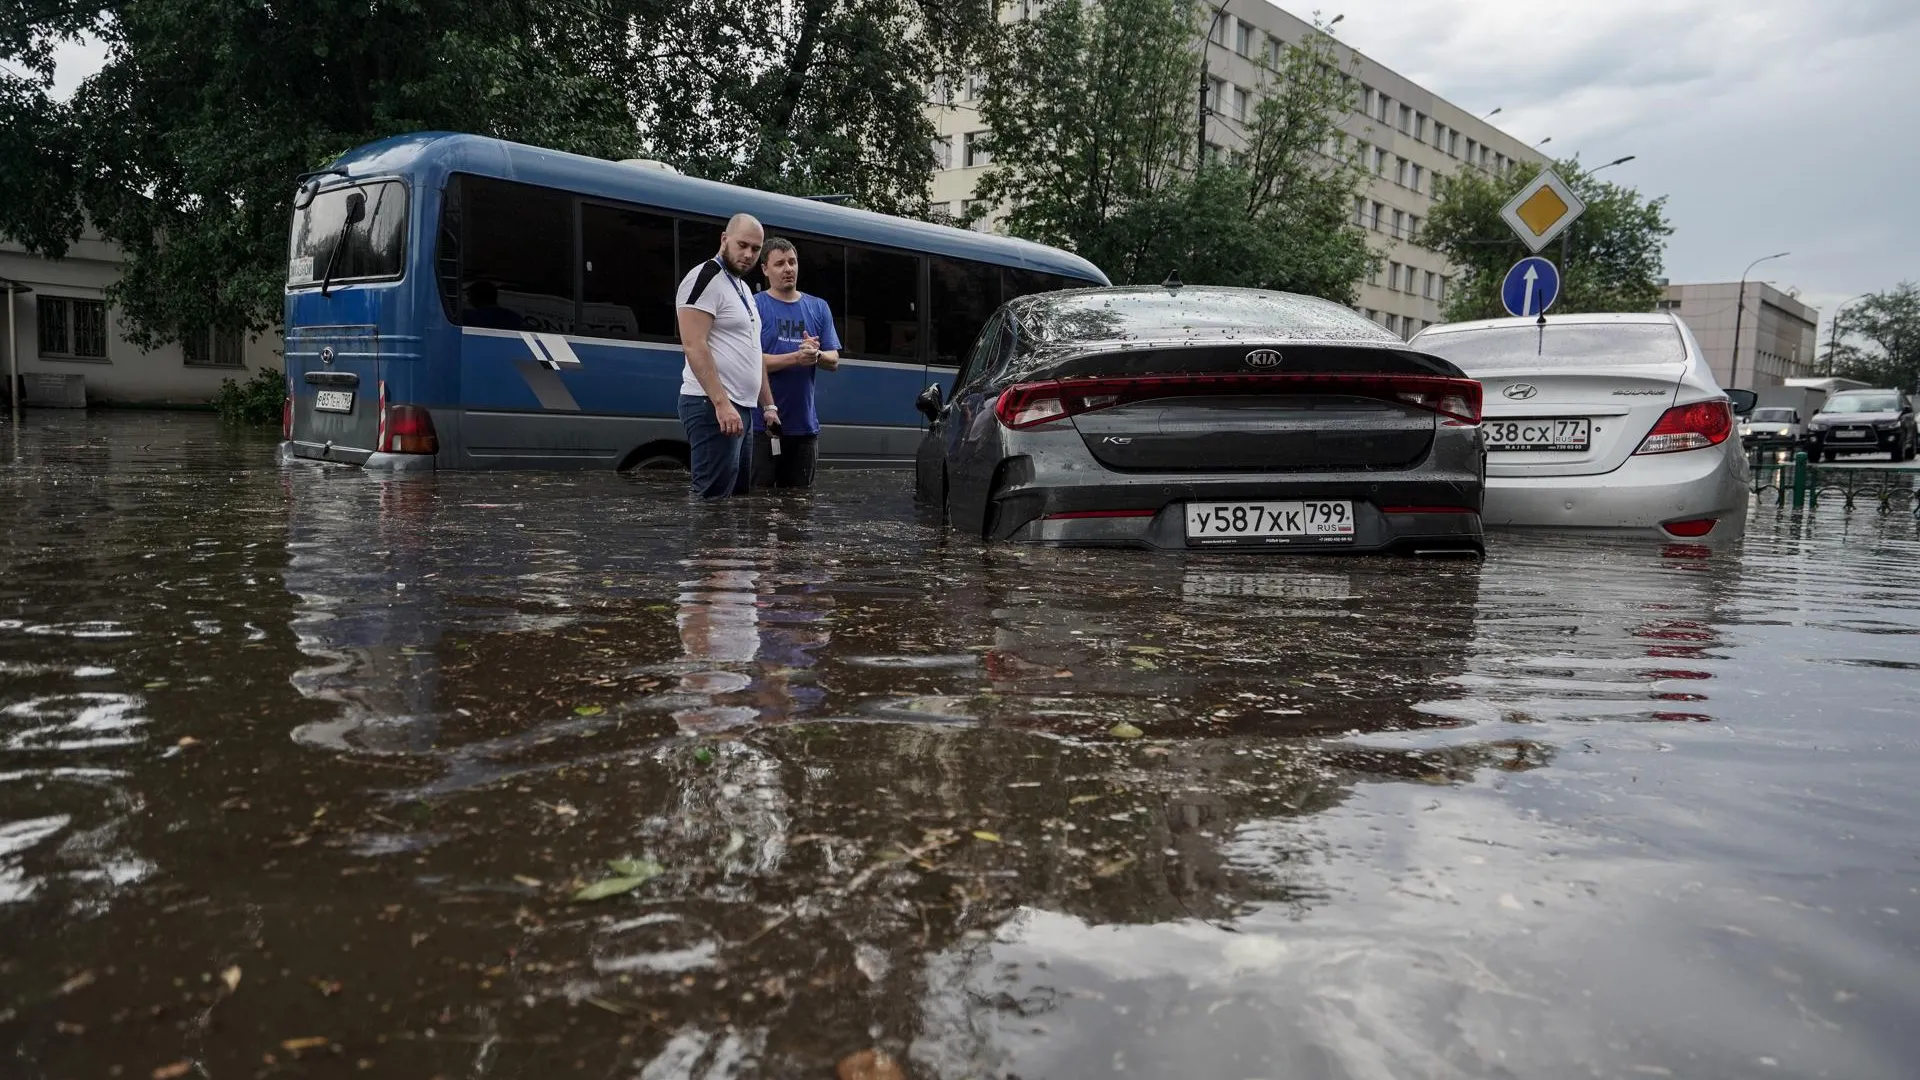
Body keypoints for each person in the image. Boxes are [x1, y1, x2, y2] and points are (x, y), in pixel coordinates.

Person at [675, 214, 779, 498]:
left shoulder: (743, 287)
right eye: (742, 245)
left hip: (742, 409)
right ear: (724, 239)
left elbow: (752, 350)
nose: (748, 255)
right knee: (712, 502)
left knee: (735, 499)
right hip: (711, 406)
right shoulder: (704, 277)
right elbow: (694, 344)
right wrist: (721, 404)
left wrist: (768, 406)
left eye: (756, 249)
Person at [750, 237, 842, 489]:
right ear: (765, 269)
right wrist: (796, 358)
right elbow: (749, 361)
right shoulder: (755, 306)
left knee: (799, 510)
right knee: (758, 507)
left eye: (792, 262)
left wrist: (816, 354)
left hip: (804, 428)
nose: (788, 269)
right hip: (762, 426)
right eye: (779, 263)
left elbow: (833, 360)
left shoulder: (818, 307)